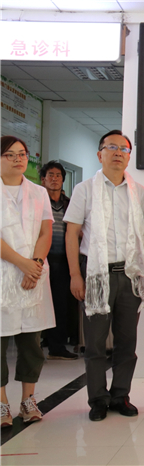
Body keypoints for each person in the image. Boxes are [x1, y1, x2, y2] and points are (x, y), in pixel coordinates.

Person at [64, 130, 144, 422]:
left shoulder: (139, 192)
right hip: (95, 274)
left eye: (124, 149)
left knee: (127, 342)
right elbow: (72, 233)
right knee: (96, 343)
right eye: (111, 147)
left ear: (129, 156)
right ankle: (98, 399)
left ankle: (121, 395)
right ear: (99, 154)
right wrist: (75, 275)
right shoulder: (85, 190)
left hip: (130, 275)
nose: (118, 153)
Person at [0, 136, 54, 427]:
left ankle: (28, 401)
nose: (18, 159)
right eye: (10, 155)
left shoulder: (38, 192)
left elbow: (45, 232)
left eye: (22, 154)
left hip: (33, 275)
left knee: (32, 342)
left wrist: (35, 265)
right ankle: (2, 405)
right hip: (4, 273)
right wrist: (22, 264)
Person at [40, 161, 79, 361]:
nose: (54, 179)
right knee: (39, 303)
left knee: (61, 304)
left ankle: (57, 346)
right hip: (41, 260)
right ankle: (41, 341)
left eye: (58, 175)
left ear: (63, 180)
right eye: (50, 175)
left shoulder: (70, 204)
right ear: (43, 180)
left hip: (64, 261)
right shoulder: (37, 202)